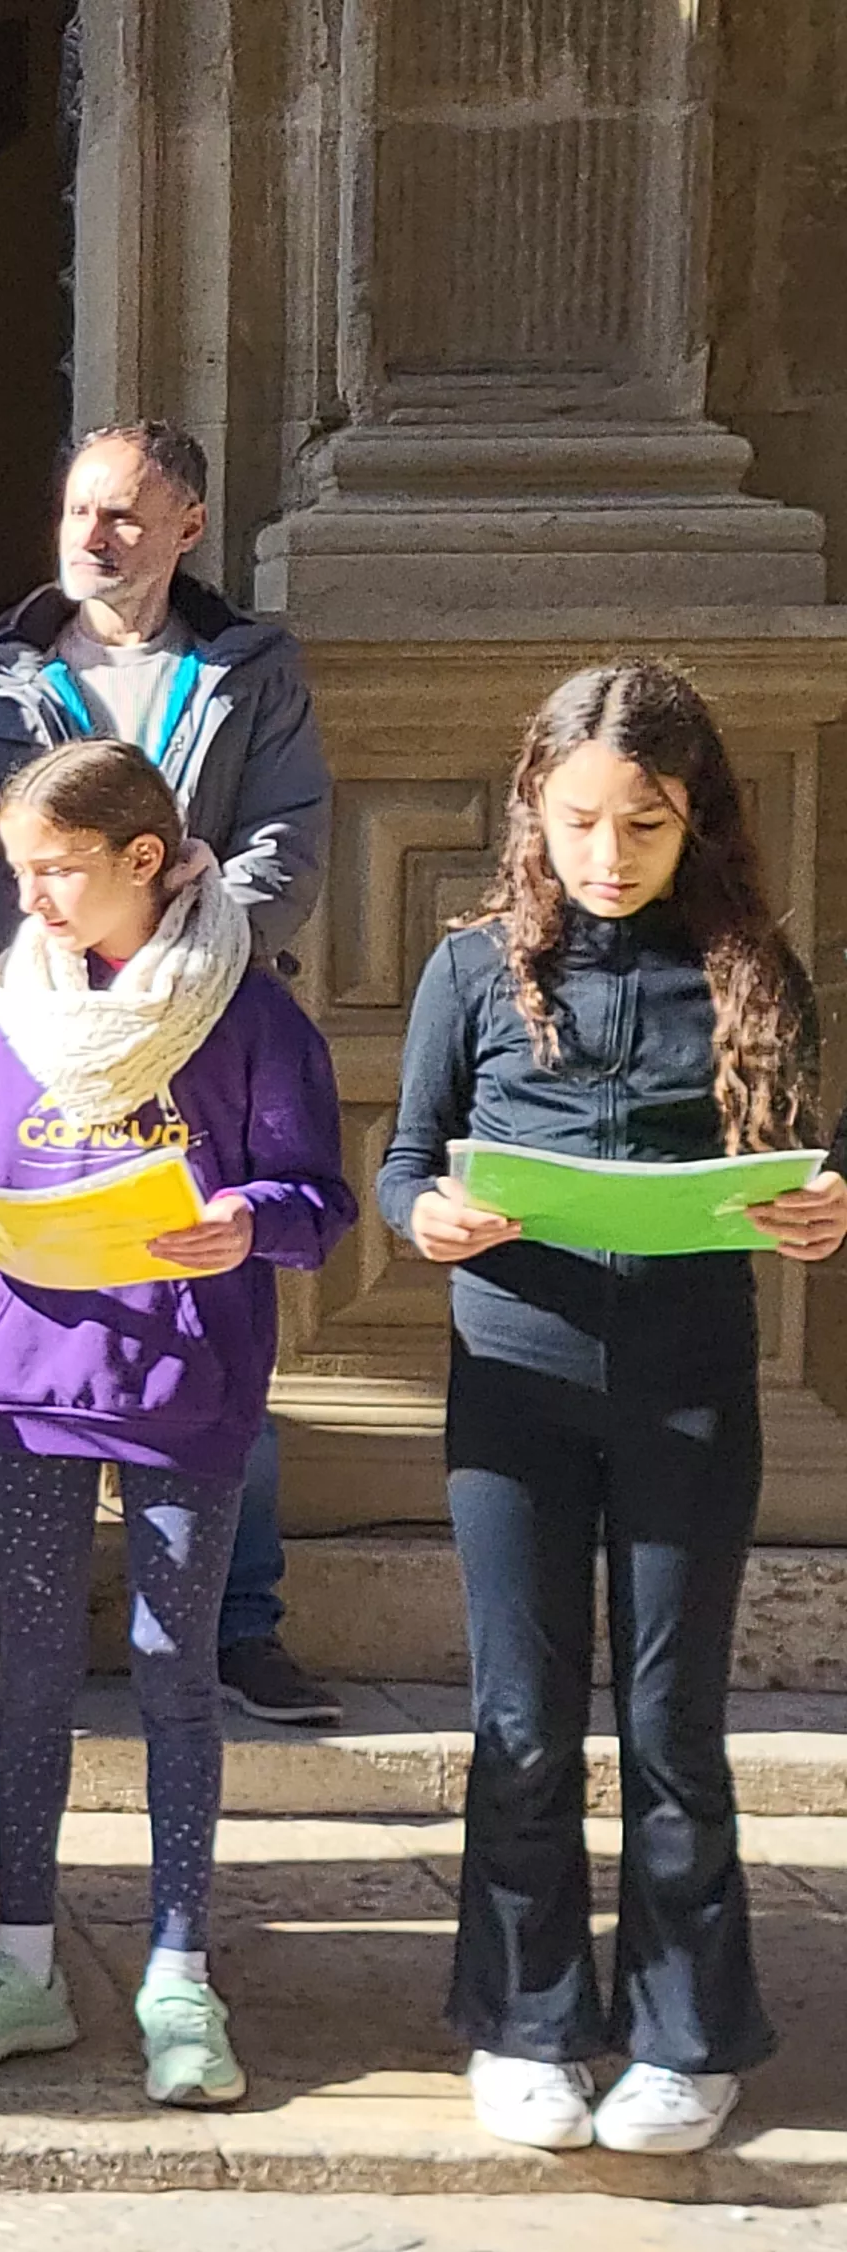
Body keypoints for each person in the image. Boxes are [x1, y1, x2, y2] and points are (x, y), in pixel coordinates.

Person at [381, 660, 847, 2157]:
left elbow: (809, 1158)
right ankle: (525, 2026)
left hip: (690, 1391)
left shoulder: (753, 966)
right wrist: (429, 1218)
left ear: (693, 816)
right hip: (513, 1387)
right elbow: (402, 1166)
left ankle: (683, 2033)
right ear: (535, 806)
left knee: (672, 1723)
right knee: (521, 1722)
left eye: (642, 825)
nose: (607, 855)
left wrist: (823, 1209)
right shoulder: (472, 969)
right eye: (579, 821)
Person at [0, 742, 352, 2111]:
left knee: (173, 1667)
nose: (28, 899)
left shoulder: (248, 1017)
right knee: (29, 1668)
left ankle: (178, 1970)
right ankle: (19, 1958)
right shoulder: (3, 1008)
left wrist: (246, 1222)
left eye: (55, 871)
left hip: (183, 1385)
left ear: (145, 861)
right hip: (26, 1383)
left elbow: (319, 1202)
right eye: (18, 869)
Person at [0, 419, 341, 1727]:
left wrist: (177, 969)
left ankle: (238, 1620)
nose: (94, 539)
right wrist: (68, 981)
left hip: (206, 1026)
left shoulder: (249, 668)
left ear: (187, 527)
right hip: (37, 1030)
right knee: (4, 1308)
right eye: (78, 512)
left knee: (219, 1305)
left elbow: (289, 834)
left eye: (125, 517)